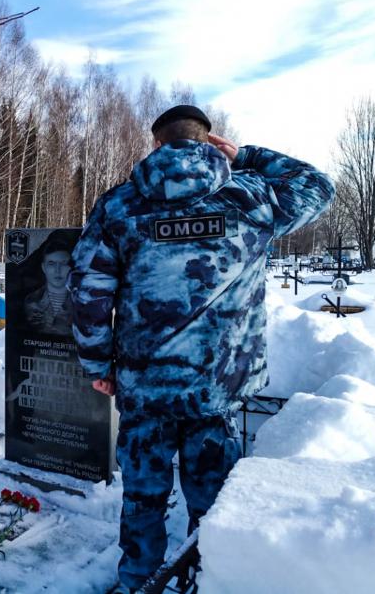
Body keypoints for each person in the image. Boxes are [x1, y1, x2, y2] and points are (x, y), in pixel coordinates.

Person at [68, 105, 334, 592]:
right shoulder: (251, 196)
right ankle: (204, 580)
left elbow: (88, 291)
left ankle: (136, 581)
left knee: (143, 497)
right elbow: (318, 185)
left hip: (146, 386)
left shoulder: (120, 205)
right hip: (218, 386)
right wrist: (248, 155)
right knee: (212, 501)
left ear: (156, 145)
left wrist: (96, 362)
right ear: (210, 141)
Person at [24, 237, 74, 336]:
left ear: (71, 267)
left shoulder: (81, 302)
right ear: (43, 267)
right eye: (51, 263)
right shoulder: (32, 300)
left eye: (63, 263)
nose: (57, 270)